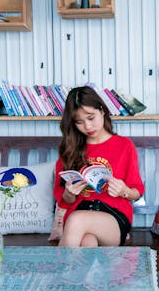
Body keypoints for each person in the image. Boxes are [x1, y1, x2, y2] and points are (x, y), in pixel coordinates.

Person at [54, 86, 145, 247]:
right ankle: (83, 273)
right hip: (79, 213)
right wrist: (69, 193)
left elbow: (136, 191)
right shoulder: (70, 149)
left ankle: (58, 271)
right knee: (87, 242)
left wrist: (124, 190)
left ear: (102, 110)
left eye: (91, 118)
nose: (87, 127)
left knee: (77, 220)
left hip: (113, 216)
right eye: (79, 122)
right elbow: (65, 200)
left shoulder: (124, 145)